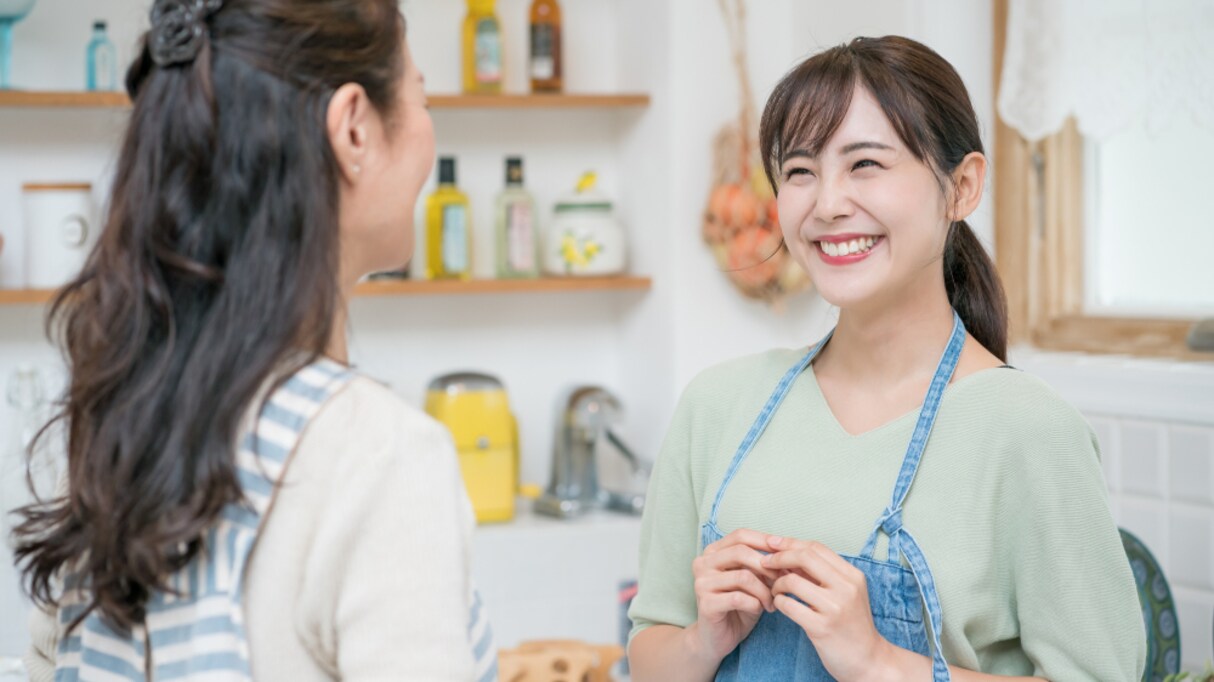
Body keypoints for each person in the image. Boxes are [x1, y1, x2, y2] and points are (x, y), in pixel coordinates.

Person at [627, 36, 1145, 681]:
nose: (827, 203)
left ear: (962, 186)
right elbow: (650, 651)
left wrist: (877, 663)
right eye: (799, 171)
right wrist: (704, 641)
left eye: (865, 164)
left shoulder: (1031, 431)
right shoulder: (718, 405)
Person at [12, 1, 494, 680]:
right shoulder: (381, 455)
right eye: (421, 95)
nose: (427, 131)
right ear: (354, 129)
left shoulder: (120, 419)